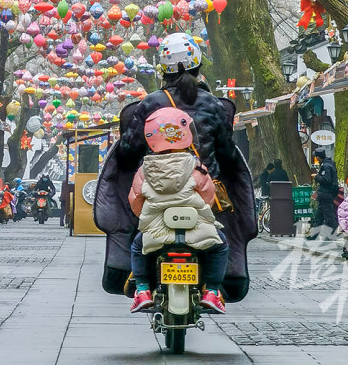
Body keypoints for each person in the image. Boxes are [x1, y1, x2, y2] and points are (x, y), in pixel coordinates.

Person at [95, 32, 256, 302]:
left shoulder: (149, 104)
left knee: (140, 232)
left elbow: (127, 152)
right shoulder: (213, 105)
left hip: (154, 192)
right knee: (218, 236)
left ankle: (139, 282)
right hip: (202, 195)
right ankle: (214, 289)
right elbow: (228, 154)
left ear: (163, 70)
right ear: (198, 65)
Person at [128, 106, 229, 315]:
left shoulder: (144, 170)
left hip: (156, 232)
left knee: (138, 247)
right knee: (220, 246)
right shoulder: (196, 167)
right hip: (196, 229)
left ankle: (142, 290)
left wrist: (146, 220)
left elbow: (136, 200)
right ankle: (211, 291)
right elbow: (209, 197)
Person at [309, 148, 339, 238]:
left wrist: (316, 177)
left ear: (318, 157)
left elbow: (326, 180)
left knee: (329, 215)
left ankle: (332, 234)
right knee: (319, 216)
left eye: (316, 156)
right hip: (325, 194)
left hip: (326, 193)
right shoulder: (329, 164)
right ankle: (314, 235)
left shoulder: (326, 166)